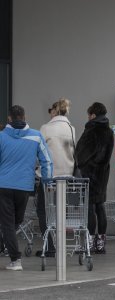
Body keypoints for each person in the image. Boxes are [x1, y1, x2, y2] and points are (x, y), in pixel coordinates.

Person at [0, 105, 52, 270]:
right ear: (24, 116)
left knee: (10, 223)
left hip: (3, 186)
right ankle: (14, 255)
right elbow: (47, 161)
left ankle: (15, 259)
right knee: (14, 221)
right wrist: (47, 181)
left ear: (9, 118)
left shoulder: (1, 137)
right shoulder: (36, 136)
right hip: (24, 187)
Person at [35, 98, 75, 257]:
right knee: (61, 212)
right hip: (67, 175)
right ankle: (61, 244)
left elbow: (40, 152)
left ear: (54, 111)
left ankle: (50, 245)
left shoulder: (45, 128)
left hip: (49, 177)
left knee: (43, 211)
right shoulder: (71, 128)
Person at [75, 102, 114, 254]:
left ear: (92, 115)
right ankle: (101, 244)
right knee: (100, 206)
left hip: (89, 173)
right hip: (103, 173)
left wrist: (80, 164)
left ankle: (89, 243)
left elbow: (81, 152)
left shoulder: (91, 129)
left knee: (90, 207)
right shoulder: (109, 131)